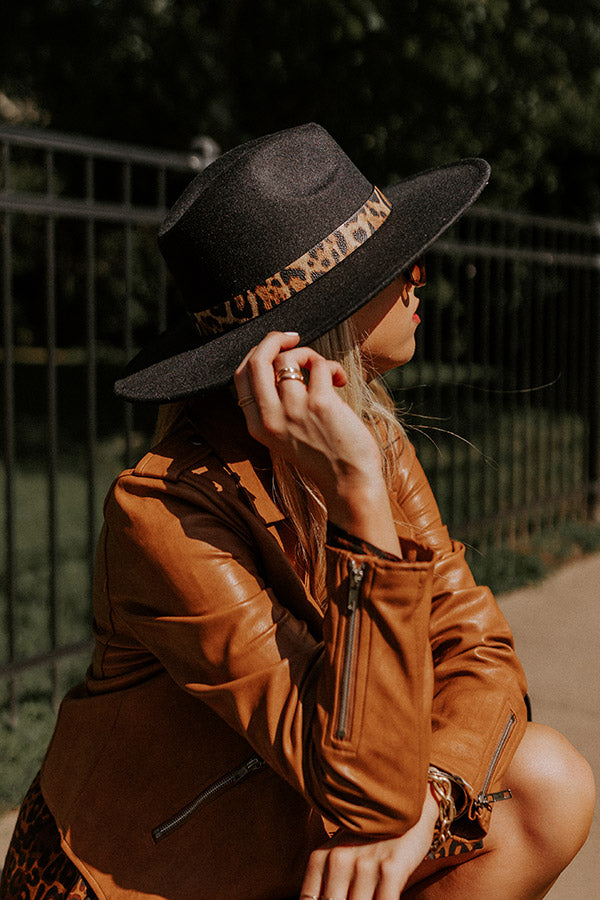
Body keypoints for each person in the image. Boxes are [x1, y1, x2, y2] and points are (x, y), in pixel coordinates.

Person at [1, 123, 594, 900]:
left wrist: (435, 799)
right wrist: (358, 506)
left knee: (547, 783)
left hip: (298, 837)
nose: (419, 274)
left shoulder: (374, 444)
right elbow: (363, 794)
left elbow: (479, 656)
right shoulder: (164, 517)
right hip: (160, 881)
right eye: (387, 268)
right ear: (311, 328)